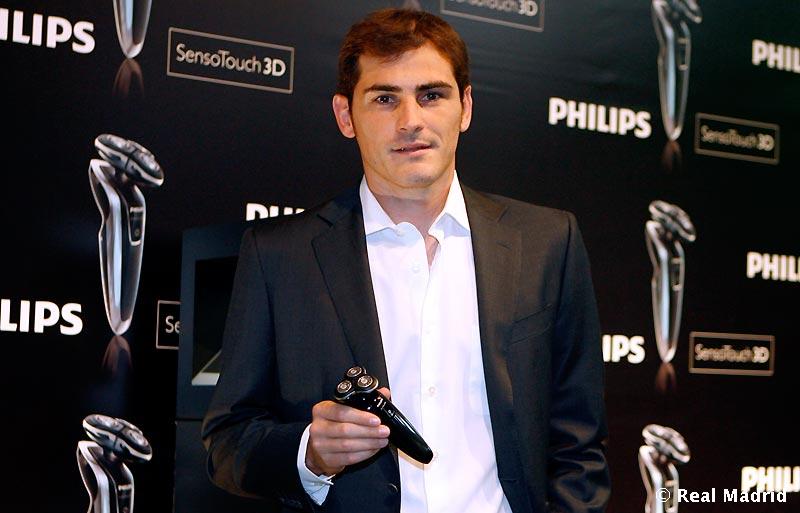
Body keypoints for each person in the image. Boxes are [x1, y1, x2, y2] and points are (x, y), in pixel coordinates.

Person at [202, 8, 609, 513]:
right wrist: (310, 452)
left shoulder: (547, 242)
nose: (410, 120)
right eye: (385, 98)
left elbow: (578, 443)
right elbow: (227, 443)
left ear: (465, 107)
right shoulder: (279, 255)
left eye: (431, 95)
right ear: (345, 116)